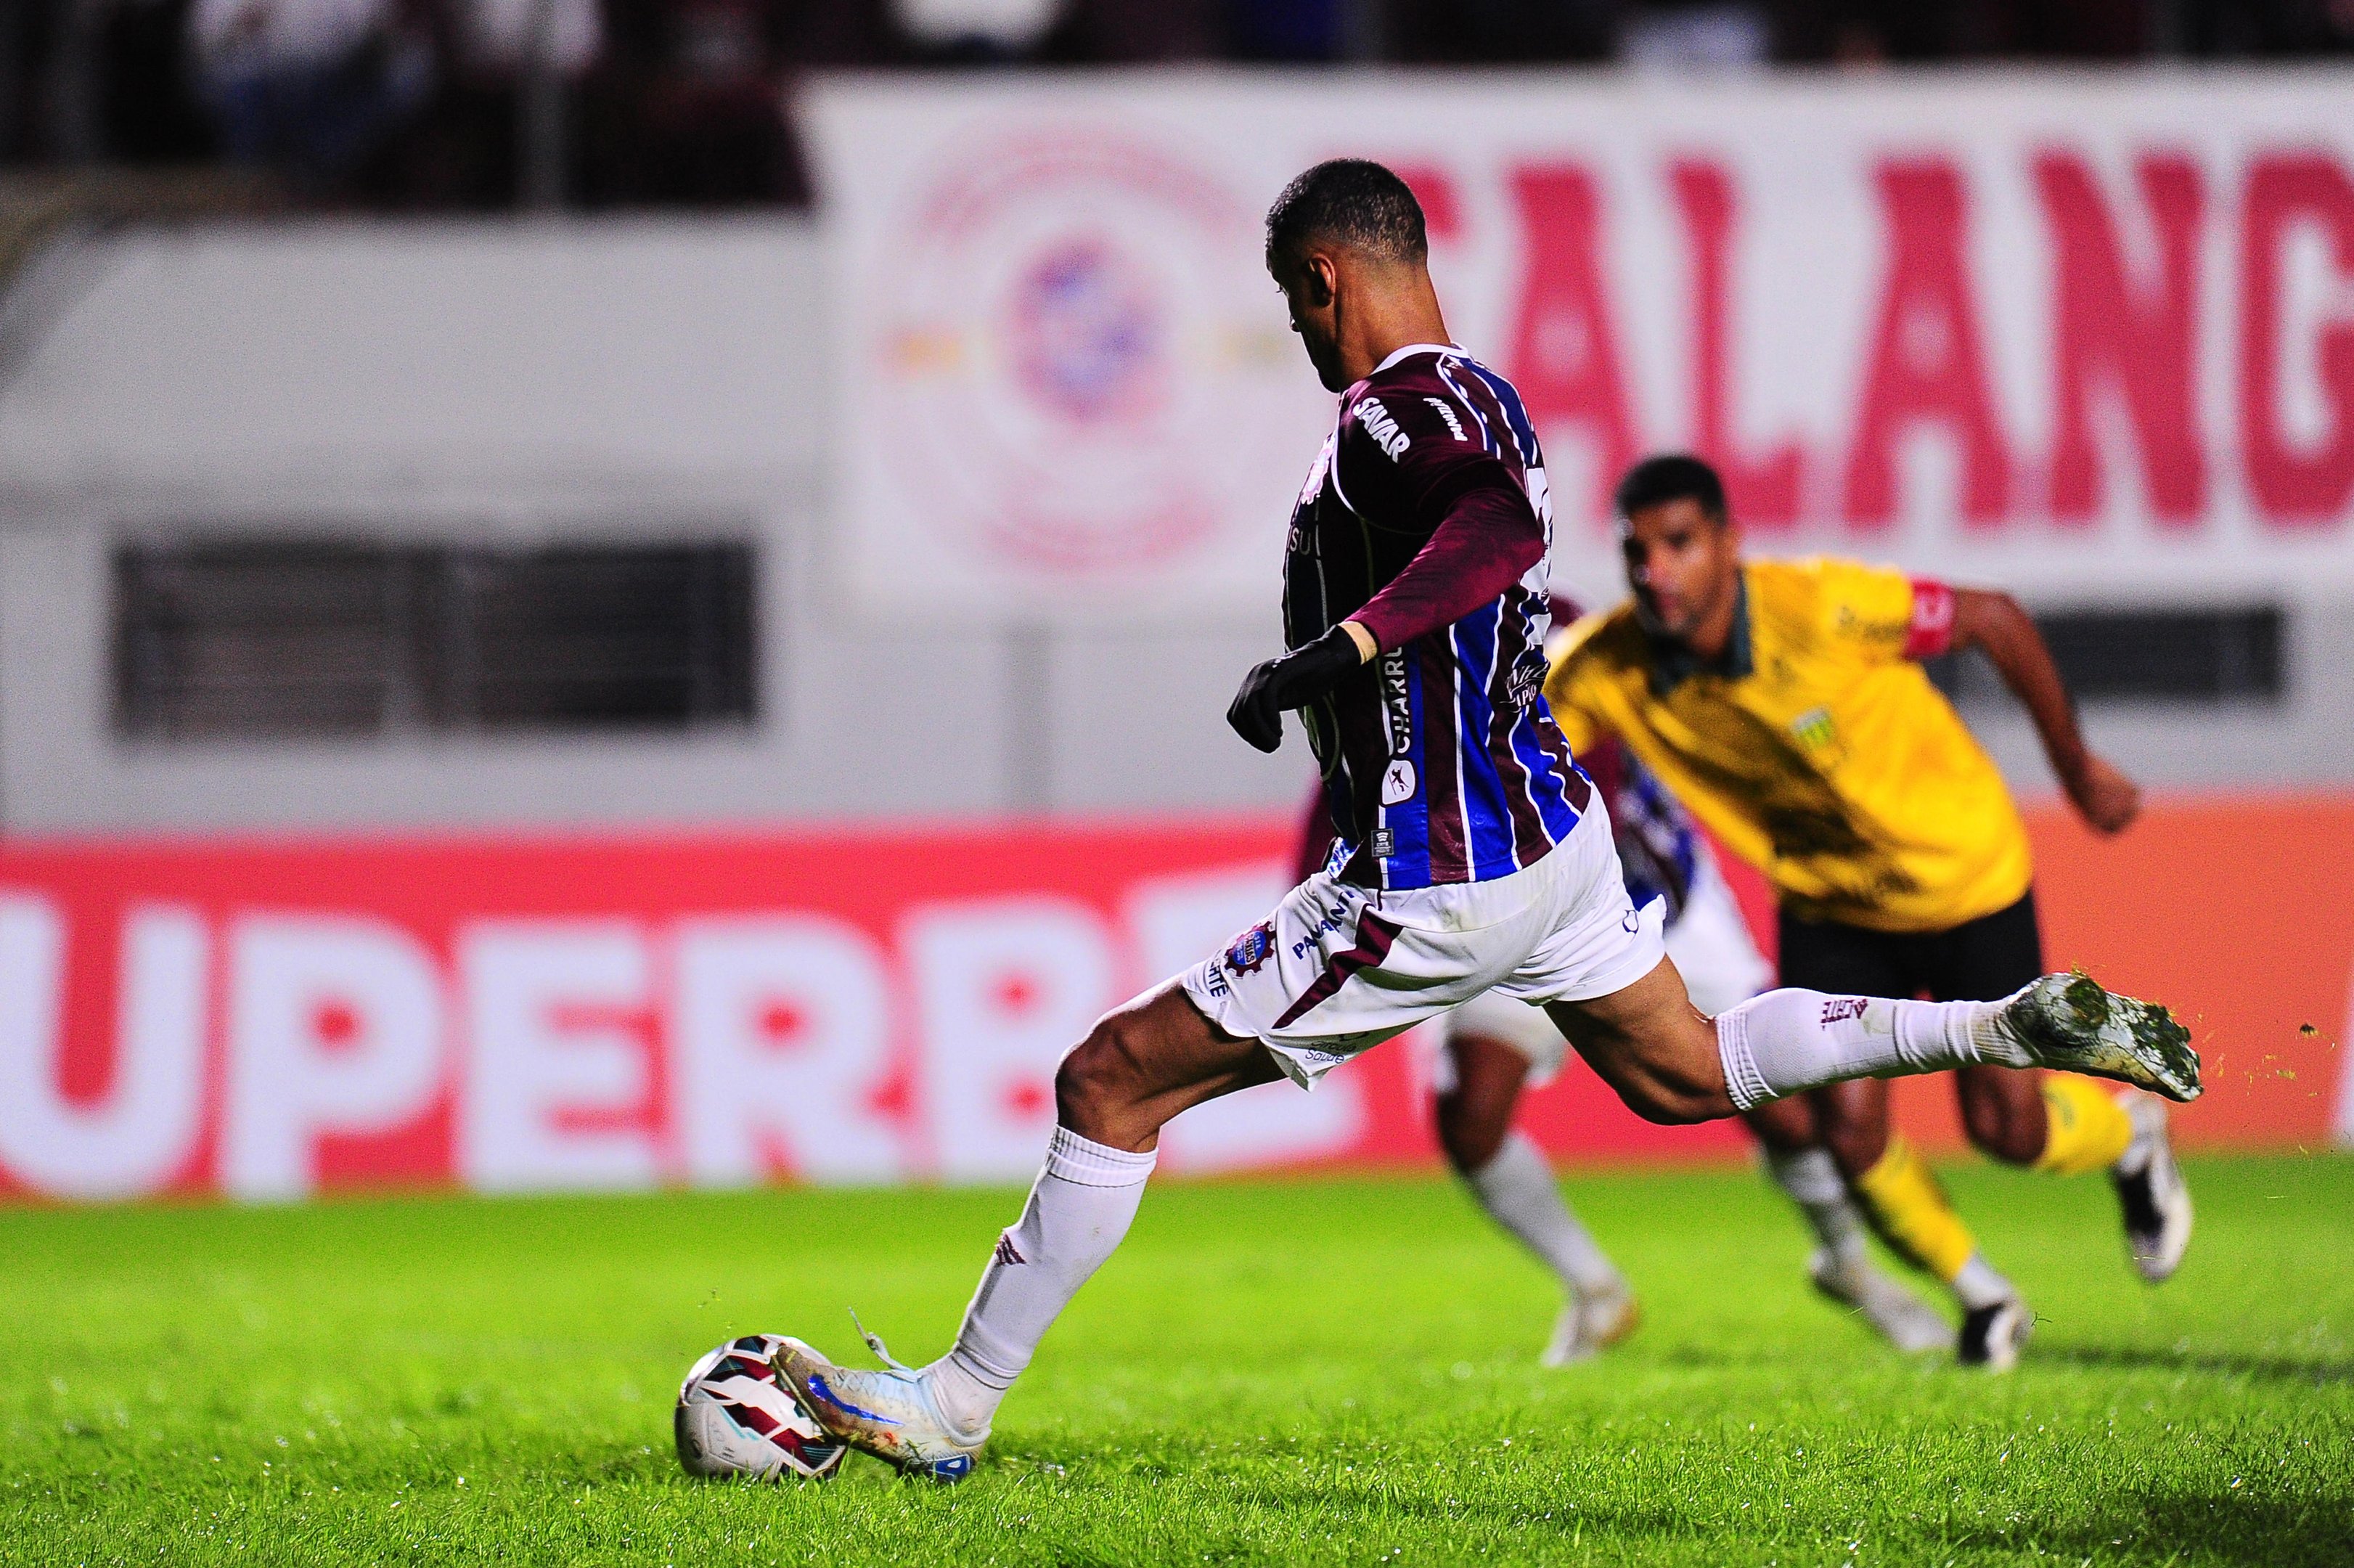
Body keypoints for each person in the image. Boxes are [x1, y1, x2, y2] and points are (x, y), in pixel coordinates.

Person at [775, 160, 2200, 1479]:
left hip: (1436, 872)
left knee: (1107, 1083)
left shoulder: (1395, 407)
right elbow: (1495, 536)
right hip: (1550, 845)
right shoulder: (1480, 396)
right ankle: (1995, 1026)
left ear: (1324, 277)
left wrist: (1336, 651)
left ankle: (951, 1406)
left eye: (1293, 304)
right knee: (1685, 1072)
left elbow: (1493, 530)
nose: (1300, 332)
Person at [1542, 453, 2196, 1370]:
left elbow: (1993, 618)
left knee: (2008, 1131)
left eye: (1679, 544)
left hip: (1960, 877)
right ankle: (1983, 1297)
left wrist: (2076, 767)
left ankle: (2130, 1137)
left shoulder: (1824, 606)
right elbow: (1512, 752)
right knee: (1846, 1134)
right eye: (1636, 552)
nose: (1656, 572)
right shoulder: (1603, 666)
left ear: (1728, 543)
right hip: (1830, 902)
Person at [1298, 660, 1949, 1366]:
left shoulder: (1536, 625)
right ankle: (1595, 1290)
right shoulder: (1382, 656)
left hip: (1652, 897)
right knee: (1470, 1109)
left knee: (1777, 1104)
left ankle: (1848, 1263)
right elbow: (1340, 799)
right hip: (1508, 908)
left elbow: (1586, 763)